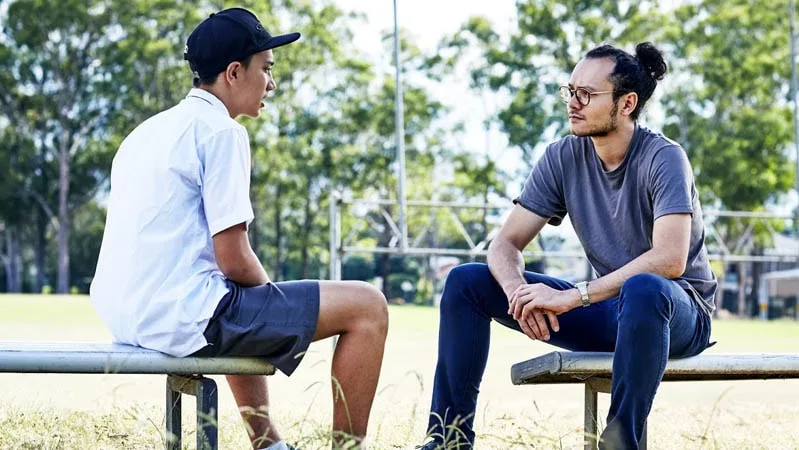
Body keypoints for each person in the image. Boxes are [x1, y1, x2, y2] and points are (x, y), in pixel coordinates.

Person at [90, 8, 388, 450]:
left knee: (232, 298)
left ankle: (269, 443)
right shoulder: (221, 132)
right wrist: (273, 300)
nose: (272, 83)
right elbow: (233, 257)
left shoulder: (145, 132)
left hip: (125, 315)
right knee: (368, 305)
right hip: (180, 315)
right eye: (266, 69)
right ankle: (348, 449)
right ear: (234, 72)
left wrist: (263, 303)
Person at [418, 42, 716, 450]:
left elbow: (669, 260)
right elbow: (505, 243)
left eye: (587, 95)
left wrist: (573, 297)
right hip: (610, 309)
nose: (572, 104)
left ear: (627, 103)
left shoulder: (664, 158)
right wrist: (517, 294)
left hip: (676, 313)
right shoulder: (563, 156)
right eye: (569, 91)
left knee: (643, 288)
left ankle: (618, 444)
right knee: (466, 282)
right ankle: (448, 441)